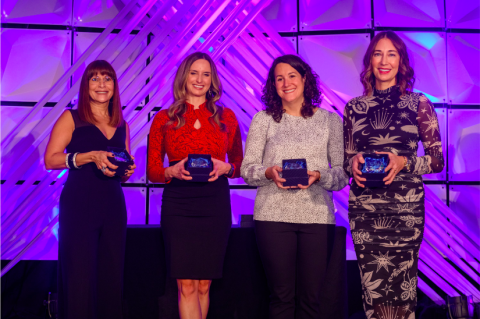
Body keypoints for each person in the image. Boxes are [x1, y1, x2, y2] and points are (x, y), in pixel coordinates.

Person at [343, 31, 444, 319]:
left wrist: (404, 162)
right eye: (378, 53)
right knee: (372, 291)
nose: (384, 61)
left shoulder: (418, 103)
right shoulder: (354, 108)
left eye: (391, 54)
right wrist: (352, 165)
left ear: (401, 62)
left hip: (405, 211)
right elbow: (345, 160)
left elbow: (437, 161)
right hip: (364, 210)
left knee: (402, 291)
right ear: (369, 61)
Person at [241, 54, 348, 319]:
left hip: (317, 217)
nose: (286, 83)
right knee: (281, 297)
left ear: (304, 79)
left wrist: (318, 176)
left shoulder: (330, 121)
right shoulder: (262, 120)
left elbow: (342, 174)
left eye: (291, 76)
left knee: (312, 301)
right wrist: (268, 172)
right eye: (279, 78)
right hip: (272, 217)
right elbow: (247, 170)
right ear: (273, 85)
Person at [147, 52, 243, 319]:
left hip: (215, 202)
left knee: (204, 284)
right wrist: (171, 170)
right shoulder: (163, 118)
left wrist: (228, 168)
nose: (200, 79)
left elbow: (239, 164)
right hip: (179, 203)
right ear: (184, 77)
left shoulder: (228, 117)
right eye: (194, 73)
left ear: (212, 80)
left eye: (206, 74)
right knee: (186, 285)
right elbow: (153, 171)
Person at [45, 60, 136, 318]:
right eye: (94, 79)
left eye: (107, 79)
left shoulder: (122, 124)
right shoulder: (71, 117)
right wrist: (89, 156)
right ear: (85, 86)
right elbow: (50, 159)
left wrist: (128, 170)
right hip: (79, 203)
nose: (101, 84)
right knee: (79, 276)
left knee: (111, 274)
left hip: (113, 205)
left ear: (114, 86)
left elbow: (123, 167)